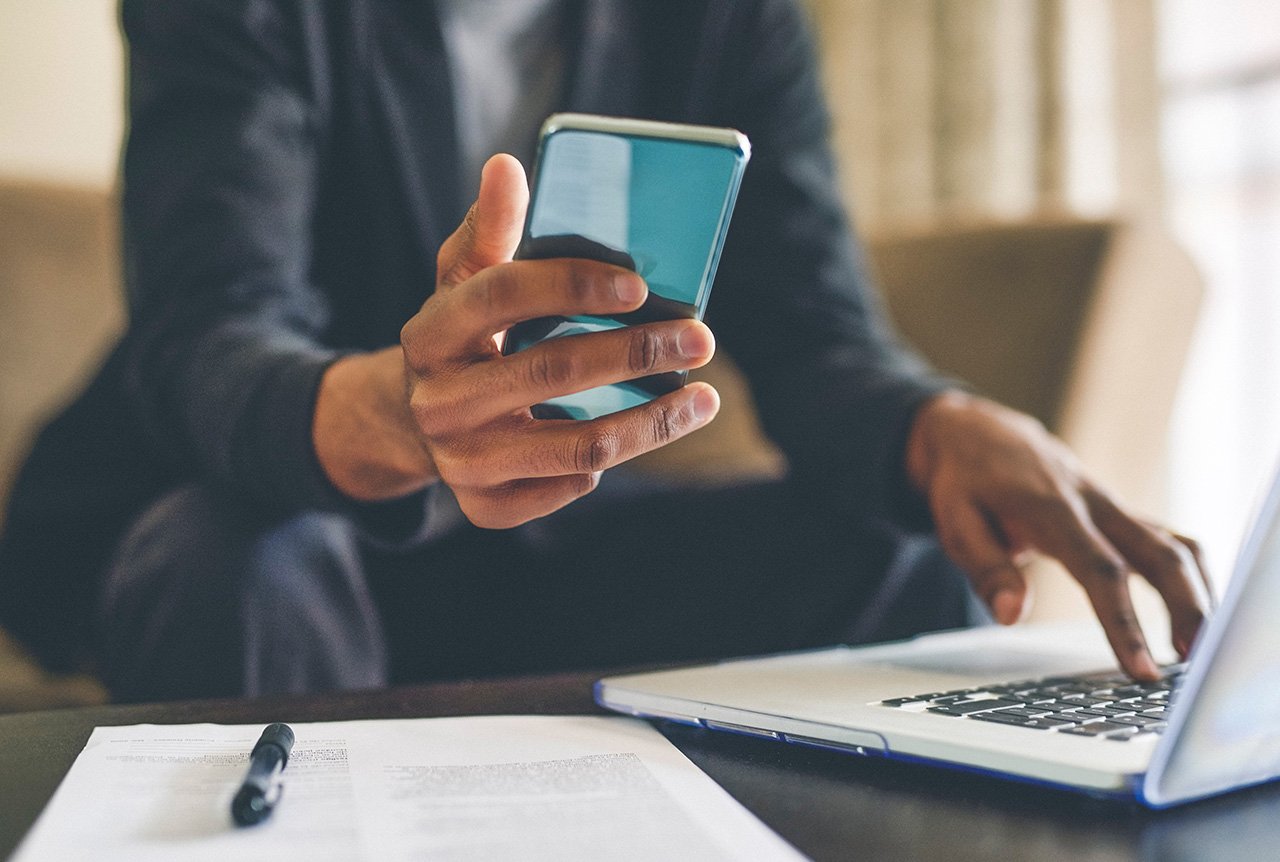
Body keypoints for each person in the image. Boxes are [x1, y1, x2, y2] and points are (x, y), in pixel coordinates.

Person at [0, 0, 1210, 702]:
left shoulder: (729, 18)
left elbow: (816, 334)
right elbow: (205, 328)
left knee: (898, 559)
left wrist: (938, 423)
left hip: (544, 544)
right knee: (241, 560)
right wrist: (404, 418)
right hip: (275, 509)